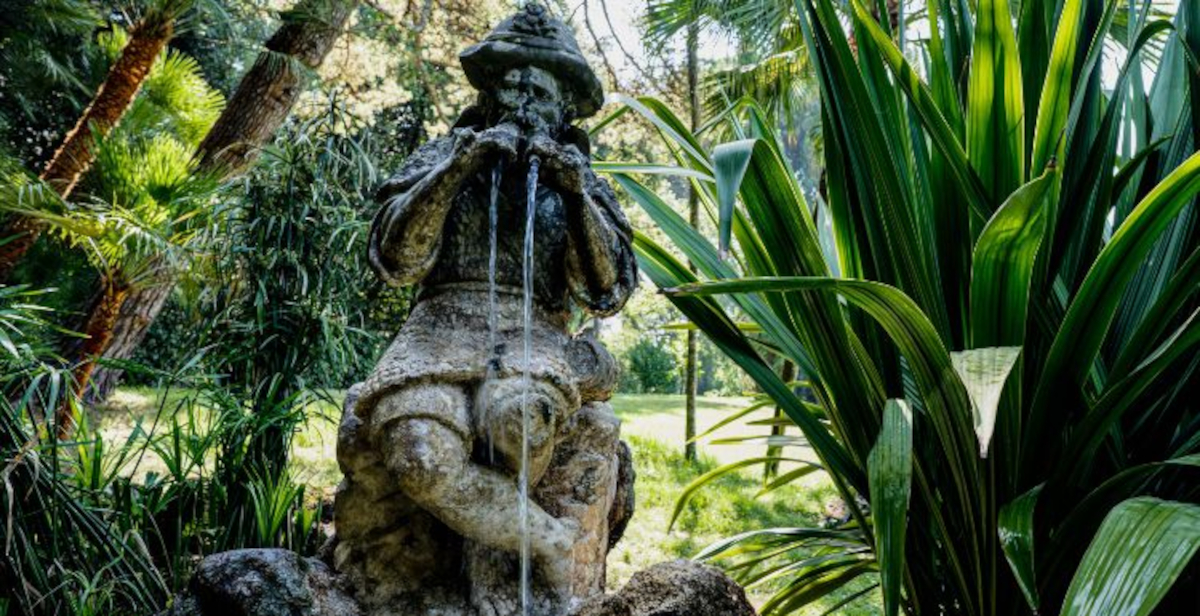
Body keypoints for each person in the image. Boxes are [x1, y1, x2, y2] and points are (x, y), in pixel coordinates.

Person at [331, 5, 637, 614]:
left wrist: (576, 196)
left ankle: (501, 565)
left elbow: (608, 289)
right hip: (438, 331)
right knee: (420, 453)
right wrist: (458, 168)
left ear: (565, 110)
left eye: (540, 91)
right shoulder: (440, 158)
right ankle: (547, 539)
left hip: (533, 334)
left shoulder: (582, 181)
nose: (522, 101)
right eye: (510, 85)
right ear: (487, 93)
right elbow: (397, 260)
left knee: (519, 424)